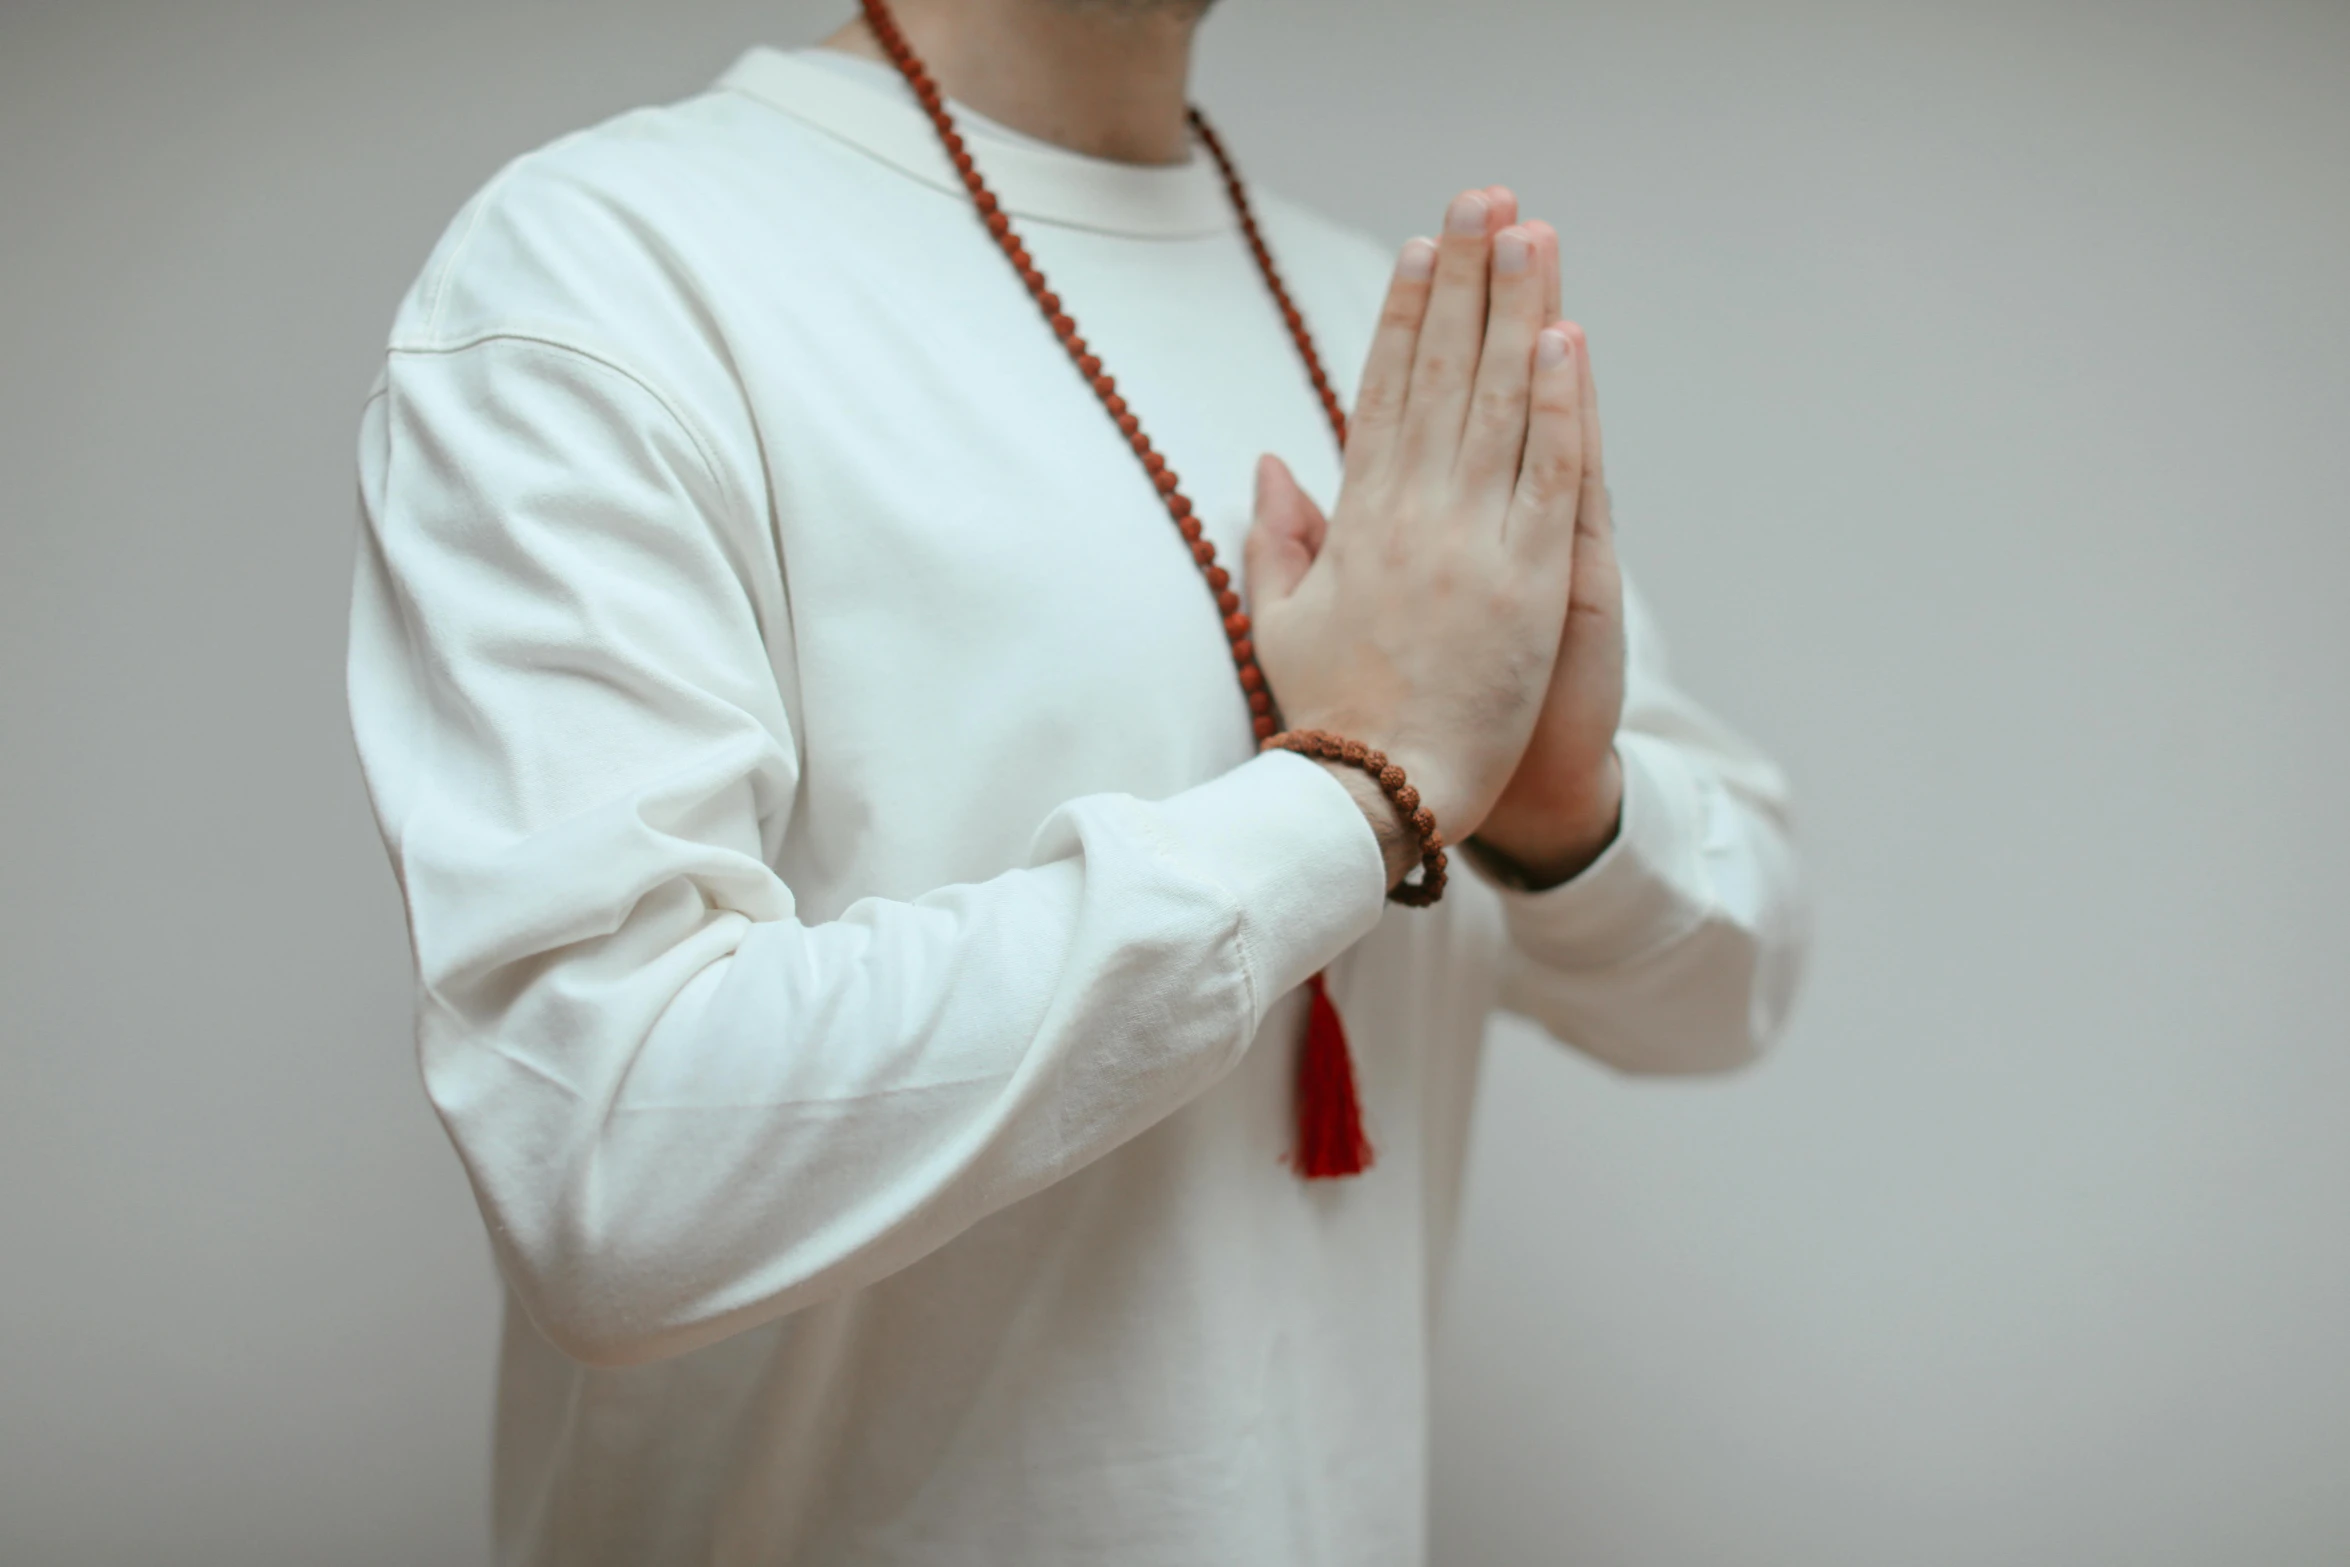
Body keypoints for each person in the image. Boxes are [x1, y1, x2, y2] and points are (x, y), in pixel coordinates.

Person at [346, 0, 1808, 1559]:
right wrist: (1351, 799)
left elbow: (1726, 990)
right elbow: (610, 1170)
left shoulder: (1388, 333)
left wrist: (1554, 817)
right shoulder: (609, 275)